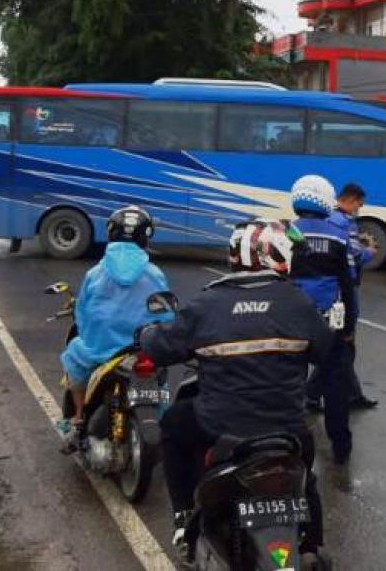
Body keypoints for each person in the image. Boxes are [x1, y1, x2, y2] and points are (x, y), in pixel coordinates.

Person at [138, 219, 330, 564]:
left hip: (220, 426)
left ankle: (183, 518)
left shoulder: (207, 304)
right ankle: (311, 546)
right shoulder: (297, 303)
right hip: (286, 429)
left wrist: (147, 334)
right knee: (306, 474)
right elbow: (327, 352)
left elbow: (163, 347)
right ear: (276, 256)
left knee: (173, 429)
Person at [58, 206, 170, 450]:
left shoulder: (96, 273)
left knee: (74, 358)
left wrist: (92, 336)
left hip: (101, 350)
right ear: (145, 236)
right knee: (160, 383)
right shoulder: (155, 274)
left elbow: (83, 316)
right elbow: (166, 315)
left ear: (111, 234)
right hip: (142, 349)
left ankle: (77, 419)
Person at [288, 174, 359, 465]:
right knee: (335, 388)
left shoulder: (286, 233)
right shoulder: (339, 235)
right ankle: (340, 448)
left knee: (290, 385)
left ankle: (287, 443)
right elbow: (349, 284)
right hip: (330, 324)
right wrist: (349, 327)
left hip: (291, 323)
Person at [329, 183, 378, 411]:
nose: (360, 207)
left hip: (336, 287)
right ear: (350, 199)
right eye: (359, 203)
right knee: (343, 346)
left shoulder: (330, 218)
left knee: (343, 347)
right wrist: (369, 252)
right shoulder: (345, 223)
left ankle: (353, 393)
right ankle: (313, 394)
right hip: (346, 287)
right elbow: (353, 258)